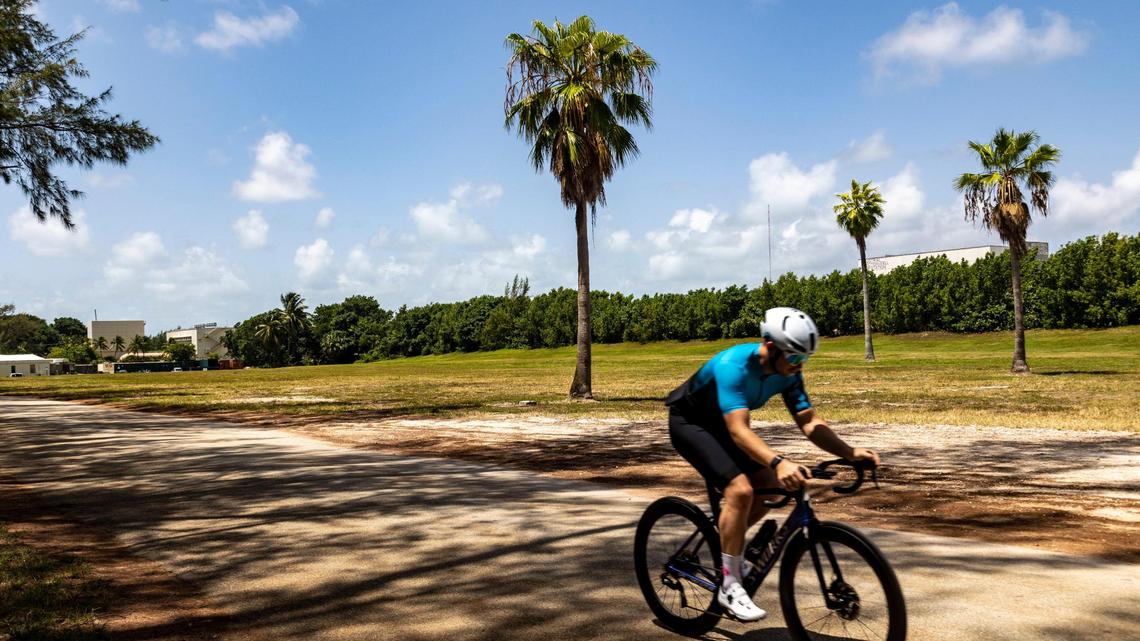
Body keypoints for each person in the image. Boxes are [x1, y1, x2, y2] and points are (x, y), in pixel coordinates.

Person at [664, 307, 881, 622]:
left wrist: (850, 452)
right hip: (690, 424)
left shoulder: (788, 373)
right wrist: (779, 461)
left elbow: (808, 421)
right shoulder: (733, 366)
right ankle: (729, 583)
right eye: (794, 358)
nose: (798, 366)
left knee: (771, 487)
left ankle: (730, 551)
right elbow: (739, 431)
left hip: (724, 426)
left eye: (803, 359)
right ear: (769, 346)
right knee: (740, 491)